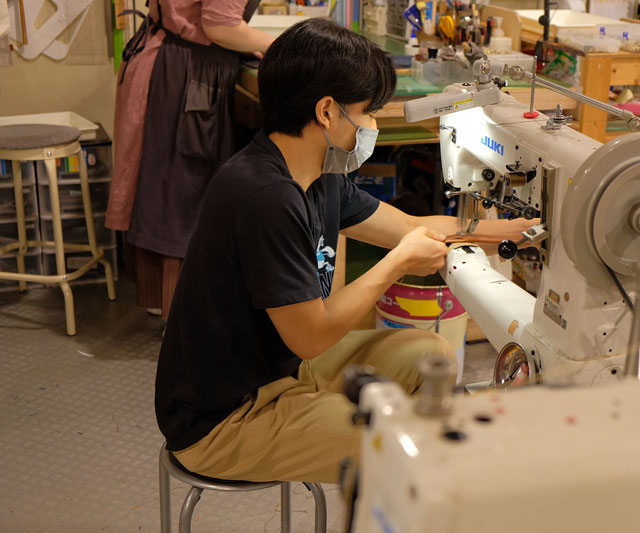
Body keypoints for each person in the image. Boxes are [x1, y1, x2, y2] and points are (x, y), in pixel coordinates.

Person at [154, 18, 532, 483]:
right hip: (225, 418)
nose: (371, 125)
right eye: (369, 112)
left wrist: (498, 229)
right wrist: (397, 265)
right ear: (328, 111)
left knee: (428, 353)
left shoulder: (319, 178)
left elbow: (408, 227)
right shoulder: (264, 197)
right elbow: (311, 337)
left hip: (280, 370)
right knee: (408, 446)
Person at [107, 0, 274, 317]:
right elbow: (220, 26)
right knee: (185, 192)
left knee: (169, 185)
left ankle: (164, 300)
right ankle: (182, 315)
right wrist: (275, 43)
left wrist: (245, 41)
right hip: (186, 75)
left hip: (167, 59)